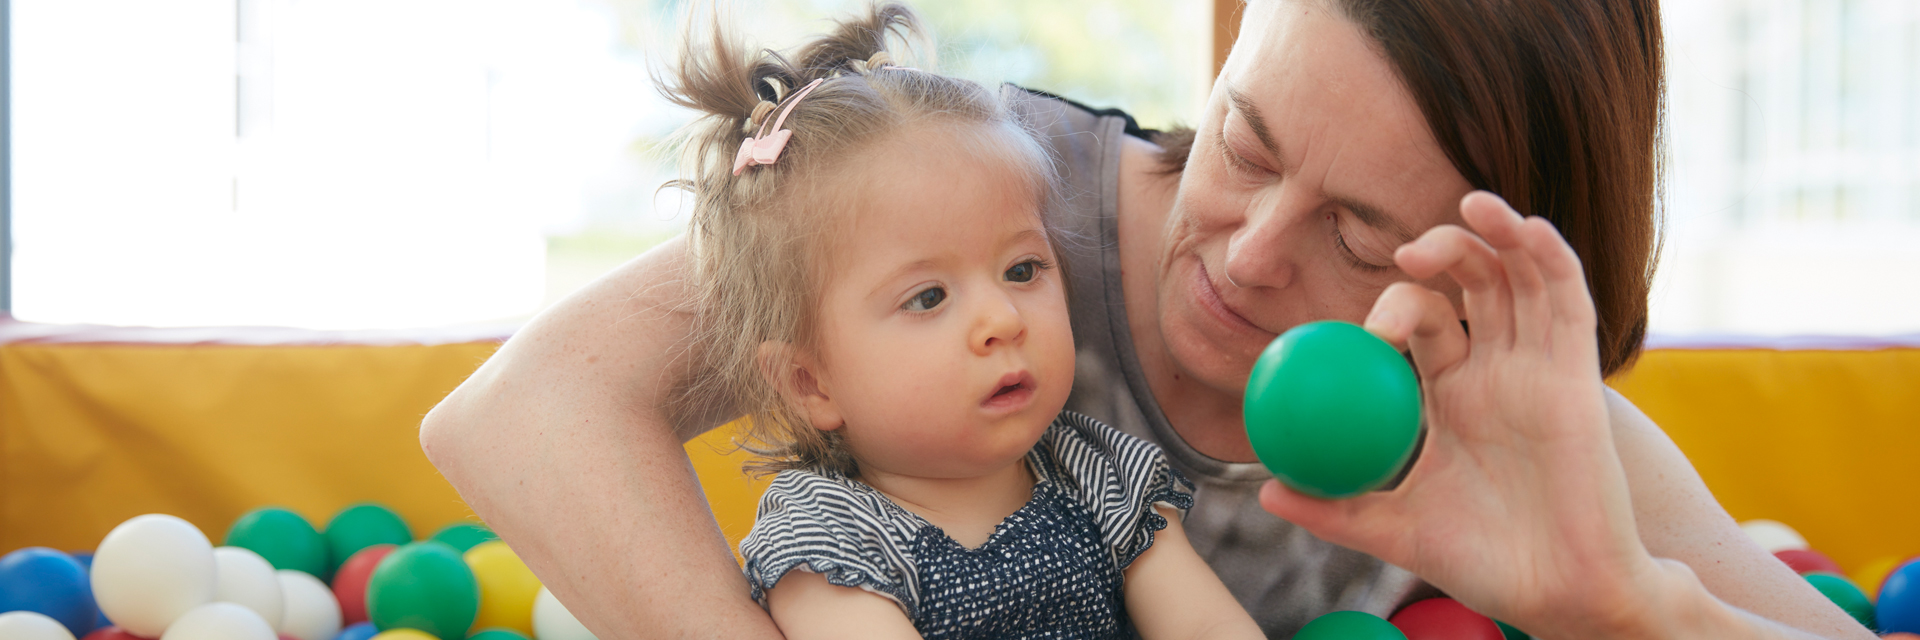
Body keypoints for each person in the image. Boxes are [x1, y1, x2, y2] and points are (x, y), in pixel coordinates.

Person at [420, 0, 1878, 638]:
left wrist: (1627, 611)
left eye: (1359, 234)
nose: (1244, 254)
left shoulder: (1501, 409)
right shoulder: (980, 207)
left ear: (1485, 280)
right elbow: (516, 407)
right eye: (1243, 140)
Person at [653, 6, 1264, 638]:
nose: (1001, 318)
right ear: (811, 383)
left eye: (1023, 270)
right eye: (928, 298)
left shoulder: (1097, 474)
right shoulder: (830, 536)